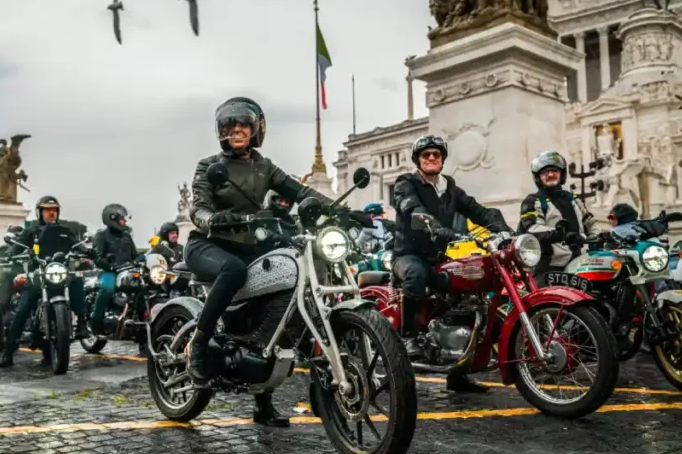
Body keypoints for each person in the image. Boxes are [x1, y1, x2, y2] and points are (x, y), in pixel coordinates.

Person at [184, 96, 353, 428]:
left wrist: (341, 209)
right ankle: (199, 343)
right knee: (232, 270)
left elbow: (302, 191)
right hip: (209, 245)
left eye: (243, 125)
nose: (237, 130)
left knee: (280, 302)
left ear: (255, 129)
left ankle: (263, 403)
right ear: (221, 131)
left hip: (250, 248)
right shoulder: (208, 166)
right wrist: (211, 219)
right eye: (230, 125)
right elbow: (198, 206)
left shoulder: (265, 167)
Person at [392, 135, 509, 394]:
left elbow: (476, 210)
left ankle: (458, 372)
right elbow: (411, 208)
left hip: (438, 258)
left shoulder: (450, 188)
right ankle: (408, 337)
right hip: (408, 255)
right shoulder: (406, 183)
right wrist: (435, 227)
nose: (432, 158)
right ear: (418, 160)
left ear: (443, 159)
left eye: (436, 154)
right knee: (415, 275)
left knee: (468, 291)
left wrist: (502, 231)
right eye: (426, 155)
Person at [0, 196, 88, 367]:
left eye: (54, 210)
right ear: (40, 212)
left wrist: (89, 252)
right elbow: (17, 247)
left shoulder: (65, 231)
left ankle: (82, 323)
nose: (51, 213)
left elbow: (78, 246)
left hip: (59, 273)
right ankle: (8, 353)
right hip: (38, 273)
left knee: (77, 281)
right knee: (22, 309)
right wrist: (9, 255)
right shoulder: (31, 231)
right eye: (47, 210)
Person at [518, 151, 605, 284]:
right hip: (549, 267)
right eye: (545, 172)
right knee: (545, 302)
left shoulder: (573, 199)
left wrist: (598, 235)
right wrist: (561, 234)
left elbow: (590, 222)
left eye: (554, 171)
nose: (551, 174)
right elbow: (532, 229)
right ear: (538, 177)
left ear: (562, 174)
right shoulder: (533, 201)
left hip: (581, 263)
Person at [90, 204, 139, 333]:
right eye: (122, 219)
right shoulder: (102, 235)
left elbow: (135, 255)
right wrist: (111, 266)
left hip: (128, 271)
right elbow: (98, 257)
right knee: (107, 289)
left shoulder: (126, 236)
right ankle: (97, 321)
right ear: (112, 219)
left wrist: (143, 259)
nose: (125, 221)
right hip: (109, 272)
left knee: (146, 288)